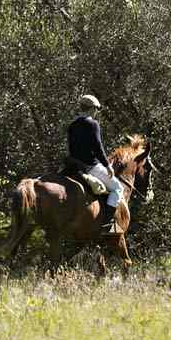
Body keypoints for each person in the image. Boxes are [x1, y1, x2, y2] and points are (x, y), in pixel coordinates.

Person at [67, 94, 124, 235]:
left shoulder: (72, 125)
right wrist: (107, 165)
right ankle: (106, 225)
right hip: (90, 166)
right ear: (92, 109)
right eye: (96, 109)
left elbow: (70, 148)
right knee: (118, 188)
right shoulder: (93, 124)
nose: (97, 112)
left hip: (74, 165)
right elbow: (98, 147)